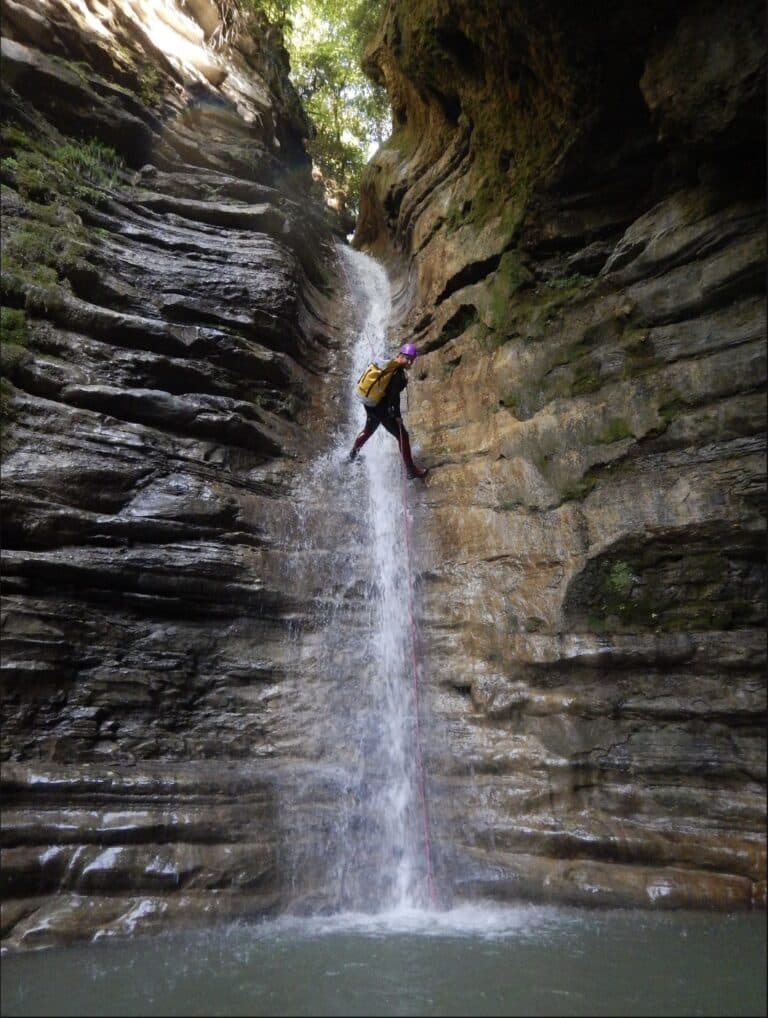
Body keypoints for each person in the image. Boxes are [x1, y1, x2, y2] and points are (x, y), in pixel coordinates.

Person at [348, 342, 428, 479]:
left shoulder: (386, 365)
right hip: (381, 408)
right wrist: (396, 415)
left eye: (412, 360)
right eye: (410, 359)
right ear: (404, 357)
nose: (411, 362)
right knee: (403, 436)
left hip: (370, 403)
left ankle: (352, 456)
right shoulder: (399, 375)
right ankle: (411, 470)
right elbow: (393, 397)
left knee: (369, 429)